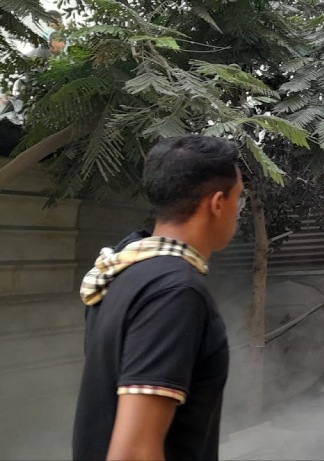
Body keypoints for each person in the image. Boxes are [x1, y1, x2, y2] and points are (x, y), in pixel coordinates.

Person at [73, 135, 242, 460]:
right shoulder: (174, 291)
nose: (237, 211)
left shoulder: (123, 272)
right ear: (218, 203)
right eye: (239, 199)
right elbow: (134, 452)